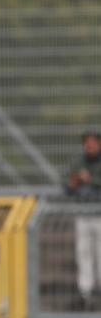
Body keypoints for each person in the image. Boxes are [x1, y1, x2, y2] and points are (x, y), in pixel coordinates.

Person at [66, 131, 101, 307]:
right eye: (87, 143)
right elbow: (68, 185)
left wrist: (90, 179)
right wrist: (74, 181)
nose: (90, 145)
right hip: (83, 213)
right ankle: (85, 292)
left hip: (99, 215)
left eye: (93, 142)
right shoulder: (78, 161)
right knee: (84, 253)